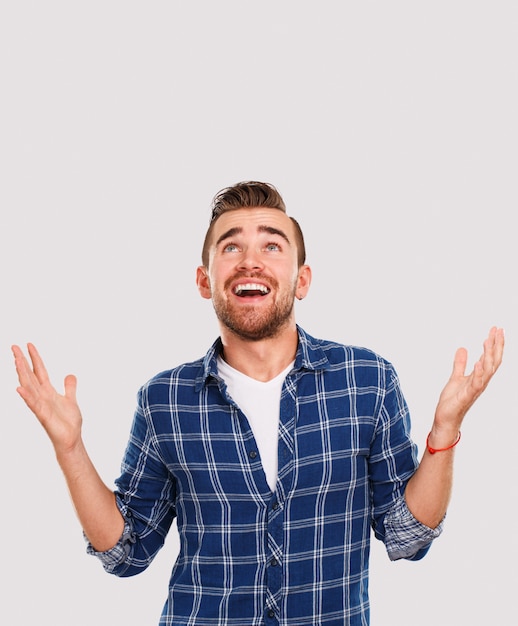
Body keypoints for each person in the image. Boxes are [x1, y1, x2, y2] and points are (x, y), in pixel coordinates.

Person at [12, 181, 504, 626]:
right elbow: (127, 551)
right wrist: (70, 448)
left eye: (272, 244)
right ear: (205, 281)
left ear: (302, 279)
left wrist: (445, 432)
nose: (251, 260)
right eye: (231, 247)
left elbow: (406, 536)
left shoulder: (367, 381)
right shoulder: (164, 399)